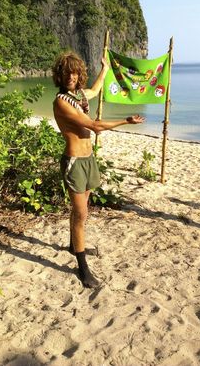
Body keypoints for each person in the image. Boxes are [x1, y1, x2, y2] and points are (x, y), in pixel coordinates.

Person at [52, 50, 145, 288]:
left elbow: (94, 90)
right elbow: (94, 125)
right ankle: (83, 269)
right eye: (66, 72)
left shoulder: (78, 96)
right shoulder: (62, 102)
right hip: (74, 162)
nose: (70, 76)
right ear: (60, 76)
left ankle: (74, 246)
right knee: (81, 213)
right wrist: (125, 120)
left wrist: (104, 68)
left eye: (74, 72)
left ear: (78, 73)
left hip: (89, 159)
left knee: (81, 211)